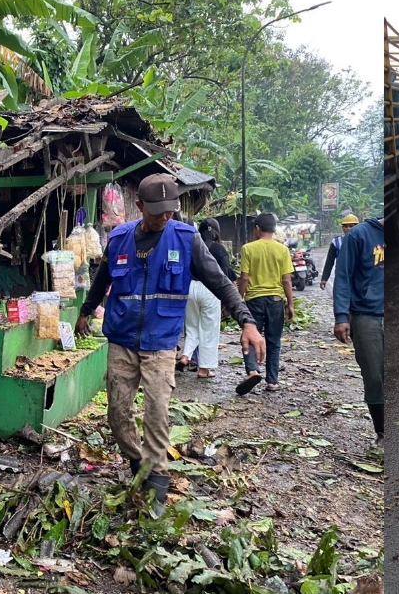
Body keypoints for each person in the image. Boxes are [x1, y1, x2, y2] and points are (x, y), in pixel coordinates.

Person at [75, 174, 265, 514]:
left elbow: (221, 283)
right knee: (117, 415)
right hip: (121, 340)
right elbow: (101, 280)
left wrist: (247, 321)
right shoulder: (118, 238)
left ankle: (156, 481)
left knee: (157, 412)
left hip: (162, 343)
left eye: (170, 210)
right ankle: (138, 463)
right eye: (157, 211)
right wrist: (86, 311)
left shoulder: (186, 238)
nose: (165, 217)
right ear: (139, 207)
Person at [333, 217, 385, 446]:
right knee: (374, 376)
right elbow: (342, 277)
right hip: (366, 316)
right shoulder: (358, 236)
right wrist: (341, 316)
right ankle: (382, 432)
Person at [236, 213, 294, 394]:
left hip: (253, 300)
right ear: (274, 229)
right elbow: (286, 280)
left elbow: (244, 277)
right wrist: (290, 304)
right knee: (274, 341)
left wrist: (239, 299)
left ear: (257, 228)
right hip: (276, 300)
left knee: (251, 338)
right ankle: (272, 381)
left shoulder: (248, 248)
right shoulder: (282, 250)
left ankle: (252, 370)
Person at [177, 219, 229, 379]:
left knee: (192, 328)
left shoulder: (191, 248)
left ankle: (185, 356)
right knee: (209, 330)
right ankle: (204, 369)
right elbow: (224, 274)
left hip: (191, 288)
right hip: (210, 290)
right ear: (216, 232)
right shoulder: (220, 250)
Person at [320, 214, 359, 290]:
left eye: (351, 226)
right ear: (342, 228)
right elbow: (329, 261)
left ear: (357, 227)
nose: (348, 228)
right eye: (345, 226)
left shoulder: (362, 240)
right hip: (342, 276)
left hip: (358, 275)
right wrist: (324, 278)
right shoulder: (336, 241)